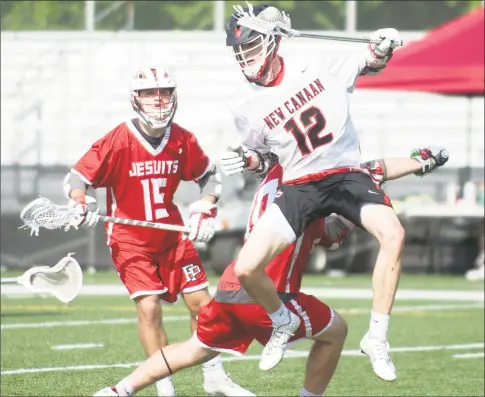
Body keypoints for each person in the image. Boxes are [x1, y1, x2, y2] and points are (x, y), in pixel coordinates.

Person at [93, 147, 449, 397]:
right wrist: (420, 162)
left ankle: (119, 389)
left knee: (196, 347)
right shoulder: (315, 180)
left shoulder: (277, 177)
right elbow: (372, 171)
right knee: (336, 332)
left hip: (233, 281)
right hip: (269, 291)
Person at [219, 1, 449, 380]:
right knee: (245, 267)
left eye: (252, 46)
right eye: (240, 51)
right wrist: (244, 161)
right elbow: (263, 158)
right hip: (298, 184)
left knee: (394, 233)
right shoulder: (243, 103)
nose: (245, 57)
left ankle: (377, 336)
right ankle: (282, 321)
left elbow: (370, 60)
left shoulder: (316, 61)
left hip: (343, 175)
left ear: (274, 41)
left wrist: (382, 44)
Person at [64, 67, 252, 397]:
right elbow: (79, 178)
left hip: (171, 237)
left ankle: (214, 375)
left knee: (203, 306)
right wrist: (81, 203)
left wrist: (204, 208)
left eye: (164, 92)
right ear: (136, 98)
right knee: (149, 308)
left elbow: (210, 177)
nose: (159, 99)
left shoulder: (181, 138)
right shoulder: (119, 140)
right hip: (129, 240)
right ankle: (164, 385)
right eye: (151, 93)